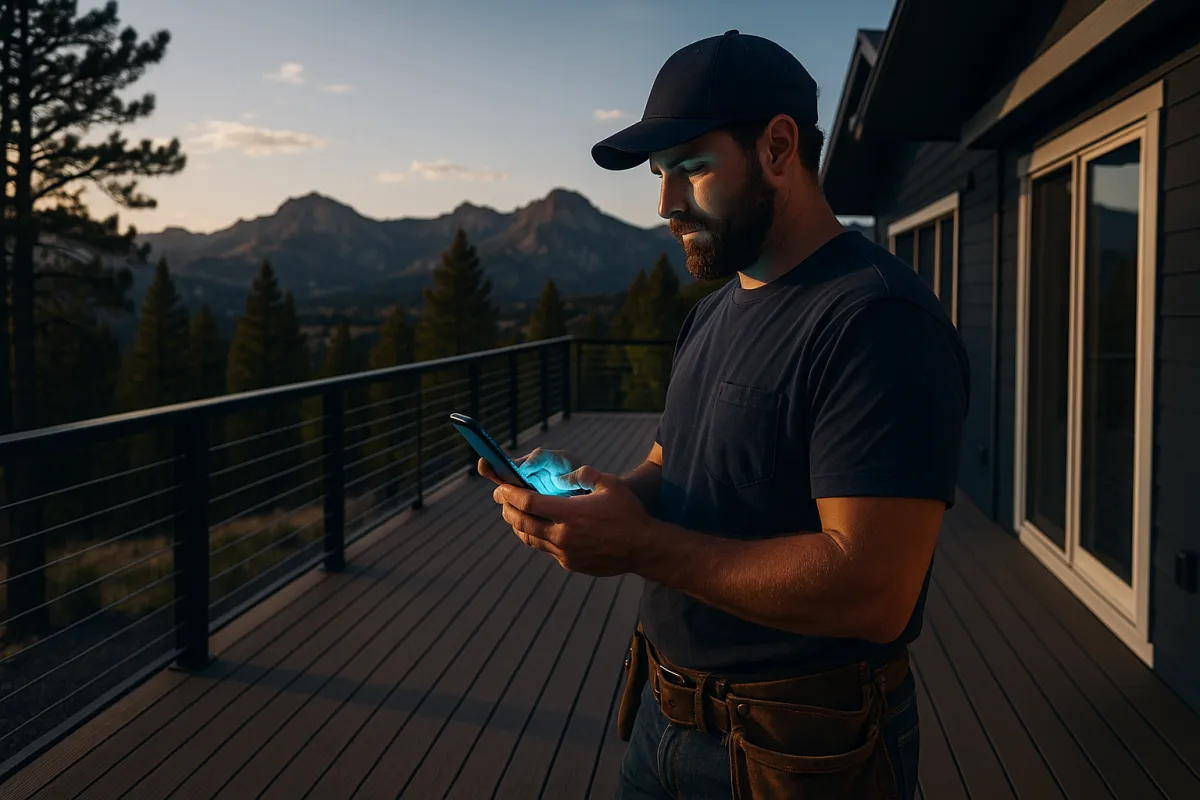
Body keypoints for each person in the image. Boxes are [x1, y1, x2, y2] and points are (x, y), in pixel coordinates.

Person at [478, 29, 969, 800]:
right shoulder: (712, 314)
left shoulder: (877, 319)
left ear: (778, 149)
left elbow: (874, 589)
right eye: (660, 176)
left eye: (692, 168)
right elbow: (672, 465)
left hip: (803, 751)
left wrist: (639, 545)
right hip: (661, 713)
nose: (666, 204)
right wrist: (605, 497)